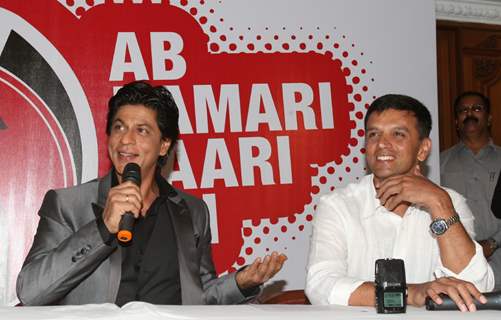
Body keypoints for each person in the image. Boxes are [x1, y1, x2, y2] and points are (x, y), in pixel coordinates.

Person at [16, 81, 287, 306]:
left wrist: (240, 284)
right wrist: (102, 228)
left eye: (142, 130)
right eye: (119, 127)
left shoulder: (193, 211)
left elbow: (199, 297)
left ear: (164, 145)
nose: (125, 139)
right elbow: (31, 292)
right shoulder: (67, 204)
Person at [306, 94, 494, 311]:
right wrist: (409, 293)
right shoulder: (338, 205)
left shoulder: (450, 202)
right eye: (373, 134)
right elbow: (321, 285)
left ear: (423, 149)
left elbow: (475, 287)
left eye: (398, 134)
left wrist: (439, 203)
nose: (382, 144)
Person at [440, 91, 501, 290]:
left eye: (477, 108)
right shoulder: (440, 163)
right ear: (457, 121)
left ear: (489, 118)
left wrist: (492, 244)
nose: (470, 114)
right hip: (455, 269)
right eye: (463, 110)